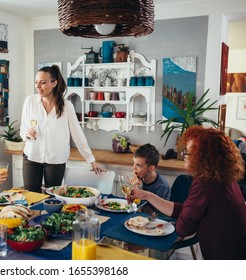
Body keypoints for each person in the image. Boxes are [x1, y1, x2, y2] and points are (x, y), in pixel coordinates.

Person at [128, 126, 246, 259]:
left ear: (203, 157)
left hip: (226, 254)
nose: (184, 156)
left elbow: (184, 228)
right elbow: (187, 210)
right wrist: (146, 195)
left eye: (188, 153)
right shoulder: (221, 177)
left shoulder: (205, 183)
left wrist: (146, 239)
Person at [20, 65, 105, 192]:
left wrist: (91, 160)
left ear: (54, 83)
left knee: (52, 199)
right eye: (36, 82)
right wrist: (27, 134)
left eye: (43, 82)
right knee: (31, 198)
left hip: (56, 160)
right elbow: (23, 129)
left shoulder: (67, 106)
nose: (38, 86)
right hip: (32, 157)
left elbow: (78, 135)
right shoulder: (29, 101)